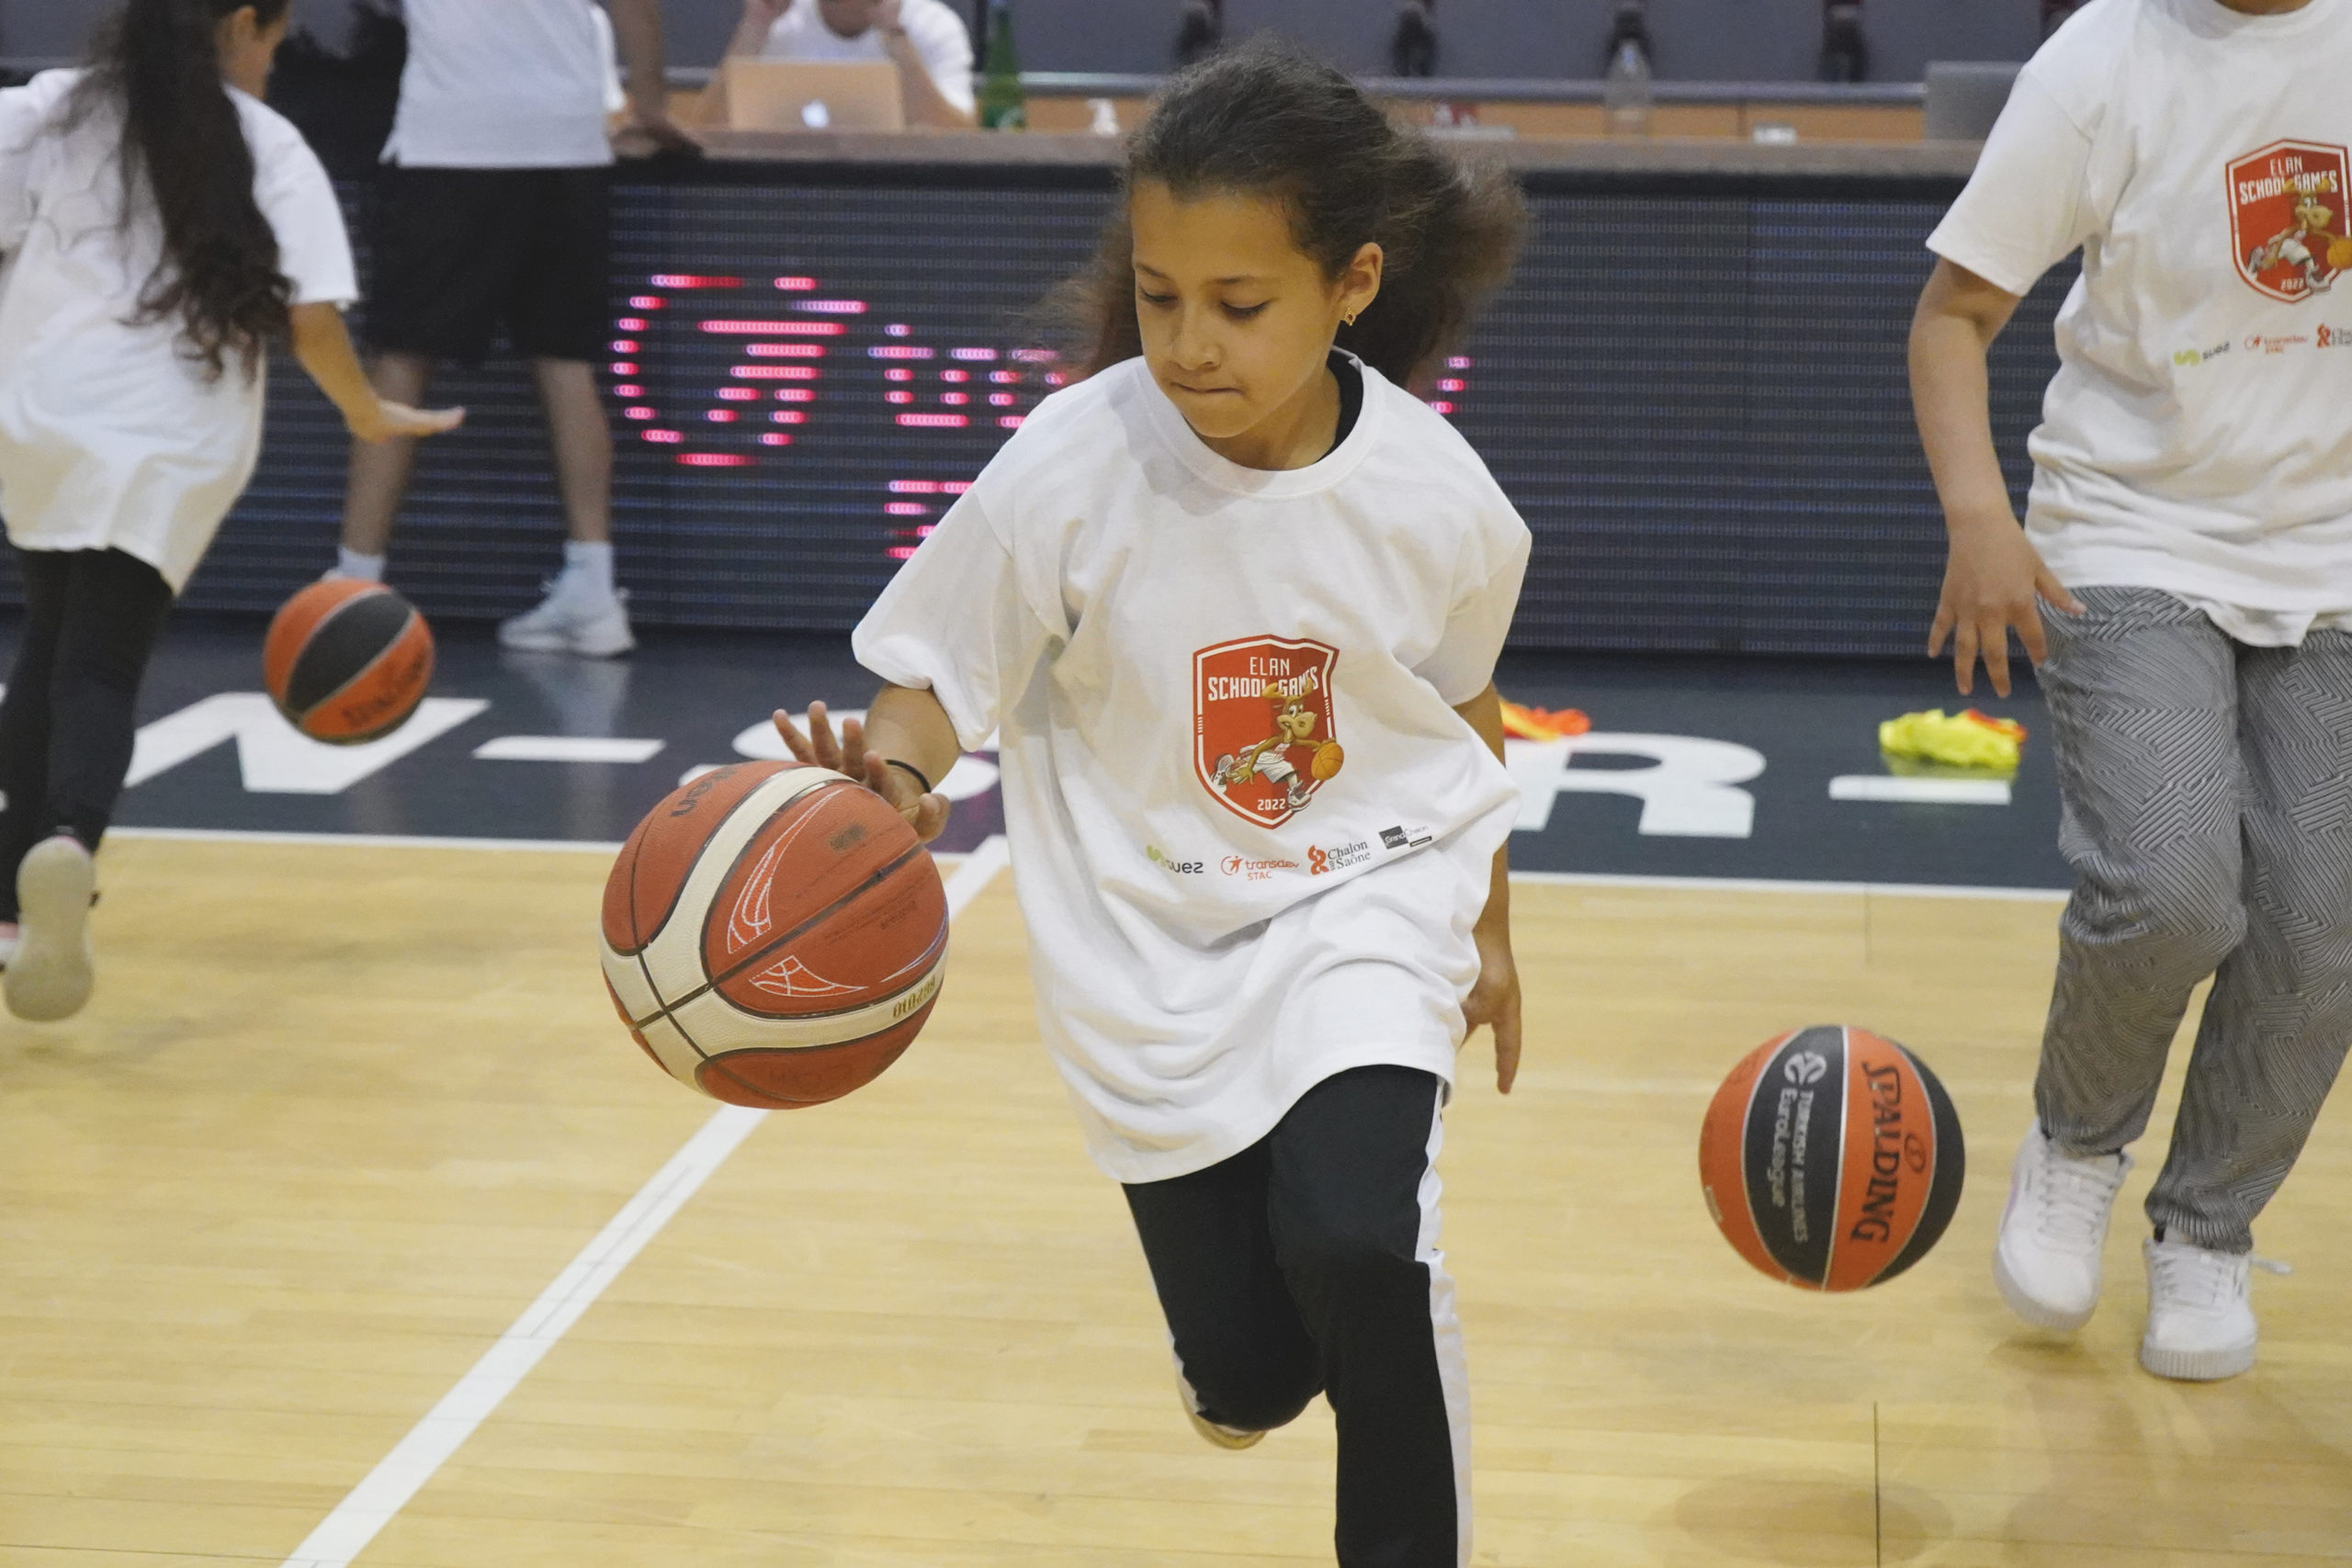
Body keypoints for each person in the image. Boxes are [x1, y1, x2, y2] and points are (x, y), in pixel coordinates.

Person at [776, 44, 1528, 1564]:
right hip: (1142, 953)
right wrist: (897, 782)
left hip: (1367, 900)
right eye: (1161, 293)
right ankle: (1236, 1360)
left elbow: (1461, 707)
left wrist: (1492, 928)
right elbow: (929, 677)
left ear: (1352, 283)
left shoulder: (1440, 492)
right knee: (1252, 1373)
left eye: (1238, 305)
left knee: (1366, 1243)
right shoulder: (1069, 466)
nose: (1189, 342)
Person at [1908, 0, 2351, 1382]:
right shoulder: (2104, 58)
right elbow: (1954, 315)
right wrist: (1980, 518)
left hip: (2335, 555)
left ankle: (2207, 1227)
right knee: (2169, 888)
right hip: (2130, 531)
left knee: (2324, 927)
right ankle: (2076, 1143)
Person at [0, 0, 460, 1021]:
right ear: (244, 24)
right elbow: (312, 320)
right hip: (166, 430)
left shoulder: (50, 108)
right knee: (100, 663)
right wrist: (366, 412)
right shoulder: (267, 145)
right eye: (273, 45)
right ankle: (69, 841)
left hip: (38, 410)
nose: (271, 64)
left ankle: (8, 906)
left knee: (50, 639)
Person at [331, 0, 692, 658]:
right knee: (565, 359)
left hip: (452, 138)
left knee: (402, 357)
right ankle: (594, 591)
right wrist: (649, 106)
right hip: (566, 141)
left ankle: (355, 586)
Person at [718, 0, 976, 130]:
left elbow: (957, 139)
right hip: (788, 186)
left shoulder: (932, 24)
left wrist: (895, 37)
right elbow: (707, 133)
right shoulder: (776, 21)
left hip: (896, 189)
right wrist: (754, 28)